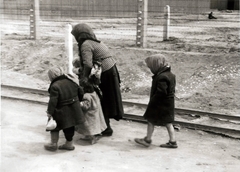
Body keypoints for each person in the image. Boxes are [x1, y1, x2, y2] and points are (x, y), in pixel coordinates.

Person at [71, 23, 124, 136]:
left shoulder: (86, 44)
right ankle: (105, 127)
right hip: (110, 71)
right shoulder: (95, 42)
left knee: (99, 100)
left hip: (104, 74)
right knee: (106, 100)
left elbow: (88, 64)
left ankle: (104, 128)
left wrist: (84, 79)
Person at [134, 54, 178, 148]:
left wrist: (153, 102)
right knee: (168, 122)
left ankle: (147, 140)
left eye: (151, 67)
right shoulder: (171, 75)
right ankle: (173, 141)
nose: (150, 69)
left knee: (150, 120)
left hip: (159, 104)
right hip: (168, 103)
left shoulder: (161, 77)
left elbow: (161, 92)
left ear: (156, 66)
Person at [44, 67, 85, 151]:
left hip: (60, 110)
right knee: (69, 126)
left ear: (52, 76)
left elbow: (53, 101)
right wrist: (77, 102)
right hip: (73, 109)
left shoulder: (55, 86)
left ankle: (53, 144)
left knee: (54, 126)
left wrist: (50, 112)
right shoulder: (71, 80)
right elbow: (80, 92)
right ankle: (69, 144)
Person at [75, 79, 107, 144]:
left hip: (89, 115)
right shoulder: (94, 93)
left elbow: (86, 106)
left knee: (89, 127)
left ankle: (93, 138)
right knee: (91, 127)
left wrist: (79, 104)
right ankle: (88, 136)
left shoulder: (86, 96)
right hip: (95, 113)